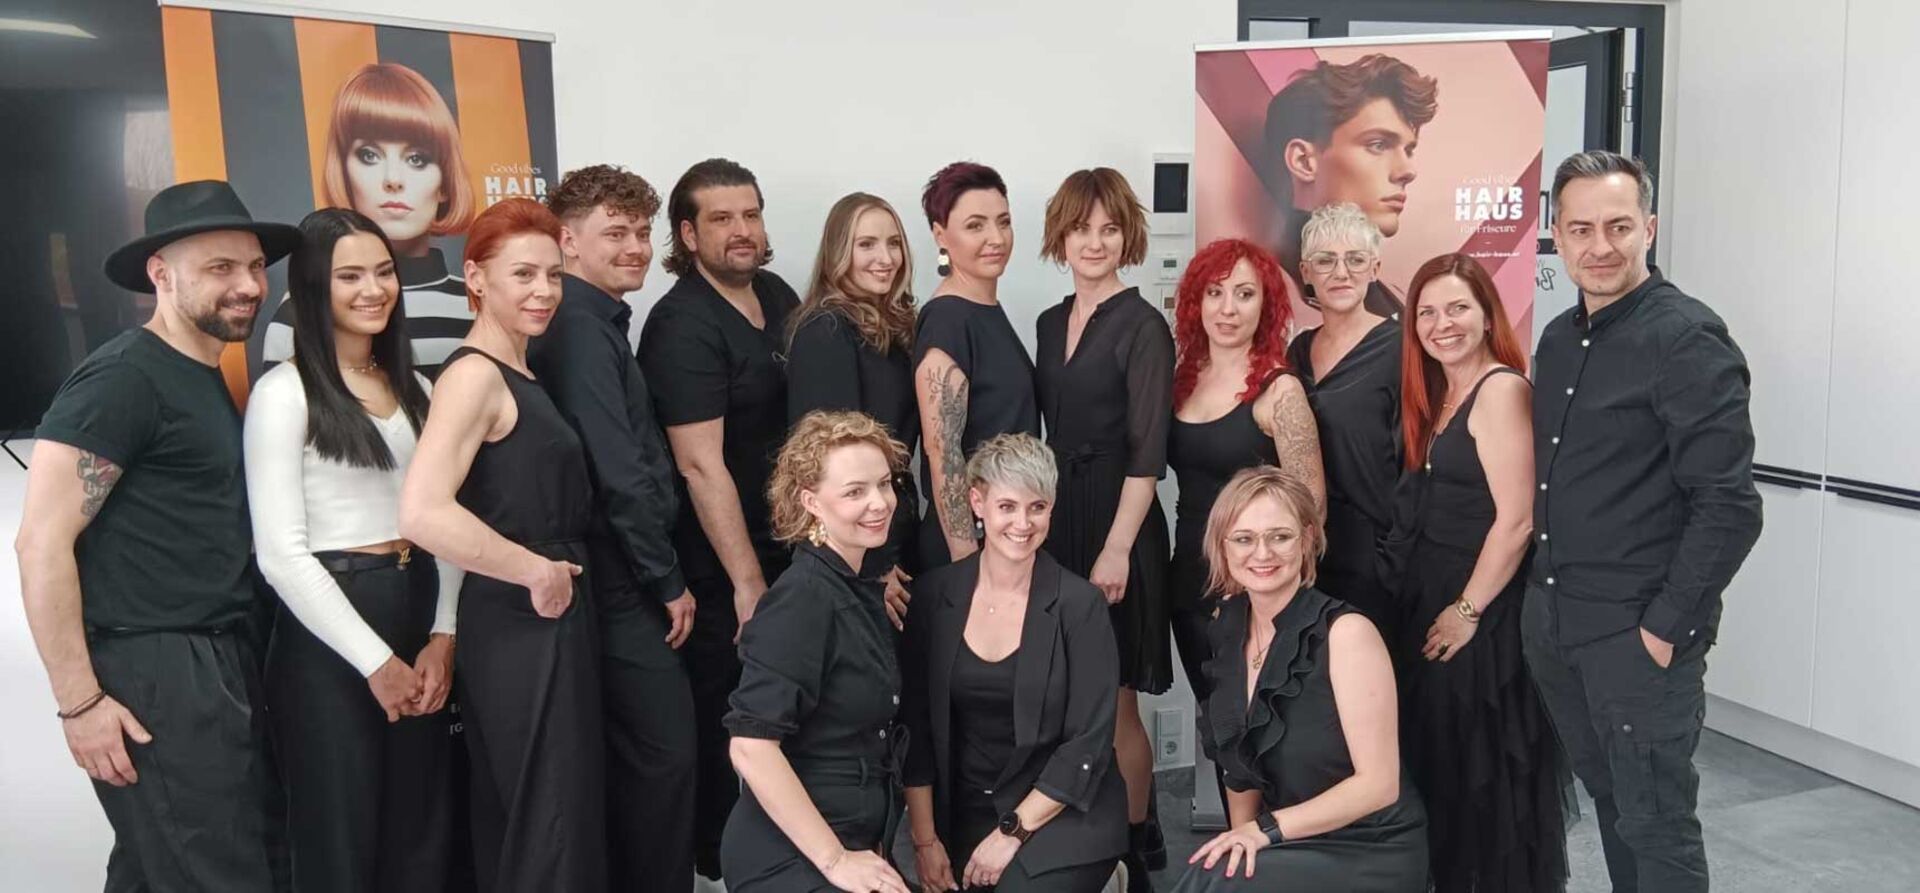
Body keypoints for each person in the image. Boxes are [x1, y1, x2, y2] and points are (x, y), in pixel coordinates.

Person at [18, 179, 298, 890]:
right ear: (161, 274)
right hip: (160, 670)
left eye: (253, 266)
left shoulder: (198, 373)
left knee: (158, 870)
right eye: (220, 268)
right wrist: (80, 703)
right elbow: (40, 543)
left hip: (220, 657)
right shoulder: (123, 379)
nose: (248, 285)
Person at [1524, 151, 1761, 893]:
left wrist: (1663, 629)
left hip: (1636, 638)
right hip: (1559, 625)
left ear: (1649, 229)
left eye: (1619, 226)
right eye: (1581, 228)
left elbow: (1729, 505)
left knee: (1657, 823)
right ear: (1556, 236)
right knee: (1612, 801)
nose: (1600, 246)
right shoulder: (1557, 339)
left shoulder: (1686, 338)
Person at [244, 207, 457, 891]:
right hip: (329, 633)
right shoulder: (283, 393)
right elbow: (281, 556)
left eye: (384, 272)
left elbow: (446, 521)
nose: (374, 289)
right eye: (350, 276)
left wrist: (444, 635)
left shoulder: (419, 388)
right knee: (338, 841)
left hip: (418, 608)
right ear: (313, 287)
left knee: (420, 836)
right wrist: (375, 662)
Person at [397, 198, 605, 892]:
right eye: (523, 274)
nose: (544, 290)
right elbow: (422, 511)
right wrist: (534, 571)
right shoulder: (474, 376)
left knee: (544, 814)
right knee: (548, 820)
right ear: (476, 278)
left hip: (544, 615)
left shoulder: (518, 369)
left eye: (553, 274)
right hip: (525, 619)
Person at [529, 164, 699, 891]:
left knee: (644, 761)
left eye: (641, 232)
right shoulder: (578, 328)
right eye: (615, 233)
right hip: (621, 577)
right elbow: (618, 471)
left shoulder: (596, 322)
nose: (635, 247)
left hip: (621, 570)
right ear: (567, 241)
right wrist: (666, 579)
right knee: (664, 756)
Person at [638, 157, 800, 879]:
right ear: (688, 234)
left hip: (793, 551)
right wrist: (746, 581)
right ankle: (721, 869)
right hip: (725, 568)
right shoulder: (681, 325)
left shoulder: (776, 293)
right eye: (722, 218)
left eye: (751, 214)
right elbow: (700, 466)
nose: (742, 231)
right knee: (729, 726)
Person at [1391, 253, 1568, 891]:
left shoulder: (1501, 390)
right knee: (1444, 772)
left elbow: (1517, 521)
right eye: (1428, 312)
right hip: (1436, 596)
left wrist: (1466, 612)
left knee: (1483, 782)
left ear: (1488, 314)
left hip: (1481, 614)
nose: (1442, 324)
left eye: (1458, 308)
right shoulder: (1442, 393)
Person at [1170, 467, 1425, 892]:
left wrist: (1263, 832)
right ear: (1222, 547)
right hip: (1290, 838)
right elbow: (1238, 767)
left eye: (1280, 536)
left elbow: (1379, 786)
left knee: (1210, 882)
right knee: (1221, 874)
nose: (1262, 553)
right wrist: (1239, 842)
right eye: (1244, 538)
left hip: (1369, 845)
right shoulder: (1227, 626)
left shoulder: (1347, 634)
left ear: (1307, 540)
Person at [902, 433, 1129, 893]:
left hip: (1062, 809)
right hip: (967, 810)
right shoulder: (933, 597)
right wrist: (925, 842)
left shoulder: (1079, 605)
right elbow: (916, 729)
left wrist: (1012, 833)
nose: (1023, 524)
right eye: (1007, 506)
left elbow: (1087, 741)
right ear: (978, 503)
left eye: (1037, 507)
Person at [1029, 167, 1171, 888]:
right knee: (1068, 694)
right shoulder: (1047, 322)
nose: (1095, 241)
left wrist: (1116, 550)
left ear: (1128, 237)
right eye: (1081, 228)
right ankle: (1085, 831)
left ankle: (1139, 847)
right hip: (1061, 520)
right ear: (1061, 236)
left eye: (1110, 229)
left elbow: (1148, 456)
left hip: (1122, 524)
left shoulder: (1144, 327)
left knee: (1116, 702)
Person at [720, 411, 910, 892]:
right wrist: (836, 860)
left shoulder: (853, 585)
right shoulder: (803, 598)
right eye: (854, 492)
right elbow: (750, 746)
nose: (879, 502)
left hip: (847, 841)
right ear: (811, 503)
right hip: (790, 857)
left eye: (884, 484)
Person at [1167, 237, 1324, 738]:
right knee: (1218, 728)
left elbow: (1311, 507)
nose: (1228, 309)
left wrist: (1266, 584)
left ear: (1266, 305)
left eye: (1244, 293)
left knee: (1262, 731)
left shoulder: (1280, 391)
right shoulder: (1183, 379)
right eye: (1214, 293)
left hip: (1256, 585)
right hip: (1189, 579)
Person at [264, 62, 478, 379]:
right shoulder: (300, 312)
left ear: (445, 182)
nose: (393, 180)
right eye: (369, 155)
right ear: (343, 172)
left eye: (417, 159)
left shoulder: (477, 306)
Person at [787, 191, 921, 626]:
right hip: (858, 549)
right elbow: (830, 461)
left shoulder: (894, 326)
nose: (886, 258)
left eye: (893, 243)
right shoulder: (826, 330)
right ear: (838, 254)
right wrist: (873, 565)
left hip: (893, 526)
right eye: (866, 244)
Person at [1285, 203, 1404, 647]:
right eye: (1325, 260)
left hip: (1377, 556)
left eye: (1355, 259)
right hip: (1306, 552)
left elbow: (1420, 460)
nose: (1341, 272)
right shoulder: (1297, 352)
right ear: (1305, 272)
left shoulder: (1402, 349)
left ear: (1375, 269)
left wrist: (1394, 554)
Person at [914, 161, 1040, 572]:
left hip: (1005, 535)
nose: (996, 238)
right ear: (940, 236)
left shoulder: (983, 308)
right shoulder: (948, 319)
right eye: (975, 226)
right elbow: (942, 451)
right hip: (971, 548)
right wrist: (967, 561)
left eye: (1003, 222)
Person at [1264, 54, 1438, 318]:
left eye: (1408, 150)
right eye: (1378, 144)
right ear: (1304, 161)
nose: (1407, 171)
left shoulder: (1378, 292)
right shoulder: (1276, 292)